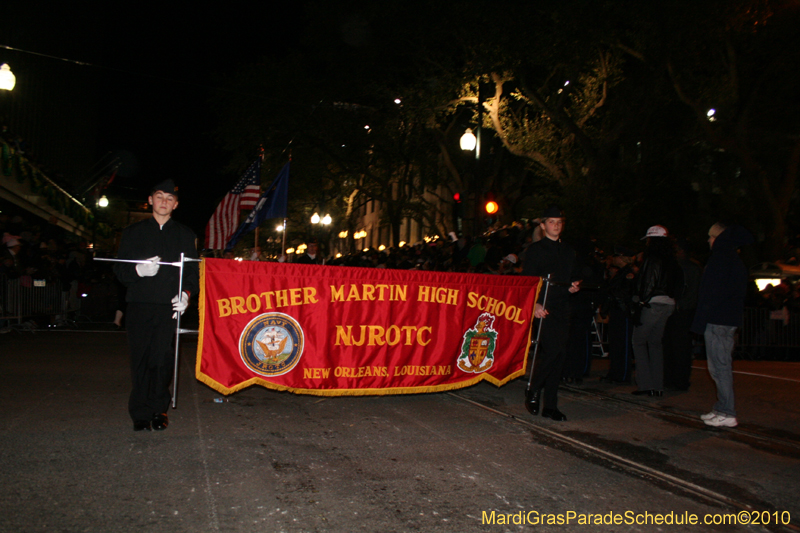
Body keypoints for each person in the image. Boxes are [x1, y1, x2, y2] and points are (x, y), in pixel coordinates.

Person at [113, 180, 199, 432]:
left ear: (176, 205)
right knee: (140, 359)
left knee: (162, 360)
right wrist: (137, 271)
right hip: (139, 305)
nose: (164, 201)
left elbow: (192, 273)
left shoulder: (185, 234)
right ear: (150, 200)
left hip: (168, 307)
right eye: (159, 196)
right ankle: (139, 412)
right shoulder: (133, 232)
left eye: (169, 198)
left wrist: (185, 295)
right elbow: (119, 270)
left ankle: (158, 409)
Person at [692, 223, 753, 428]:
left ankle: (727, 411)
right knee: (717, 366)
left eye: (712, 237)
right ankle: (722, 408)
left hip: (719, 320)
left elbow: (712, 292)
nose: (709, 240)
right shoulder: (731, 260)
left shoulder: (722, 260)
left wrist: (702, 317)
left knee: (720, 366)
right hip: (722, 319)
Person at [522, 206, 580, 421]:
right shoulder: (535, 250)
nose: (556, 225)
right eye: (552, 222)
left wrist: (573, 286)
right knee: (553, 351)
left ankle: (550, 405)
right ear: (543, 225)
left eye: (559, 222)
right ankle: (533, 388)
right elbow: (528, 281)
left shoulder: (568, 250)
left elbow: (572, 276)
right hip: (544, 307)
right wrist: (535, 304)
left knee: (560, 355)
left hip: (562, 306)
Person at [631, 225, 680, 397]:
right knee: (655, 343)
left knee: (638, 341)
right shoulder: (672, 260)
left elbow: (649, 282)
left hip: (653, 302)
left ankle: (645, 385)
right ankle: (658, 385)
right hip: (668, 303)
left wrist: (642, 300)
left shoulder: (652, 258)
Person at [663, 238, 702, 391]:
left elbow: (693, 292)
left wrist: (679, 305)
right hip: (676, 310)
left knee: (680, 347)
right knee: (671, 346)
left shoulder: (691, 268)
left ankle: (678, 379)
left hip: (682, 312)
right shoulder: (677, 266)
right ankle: (672, 378)